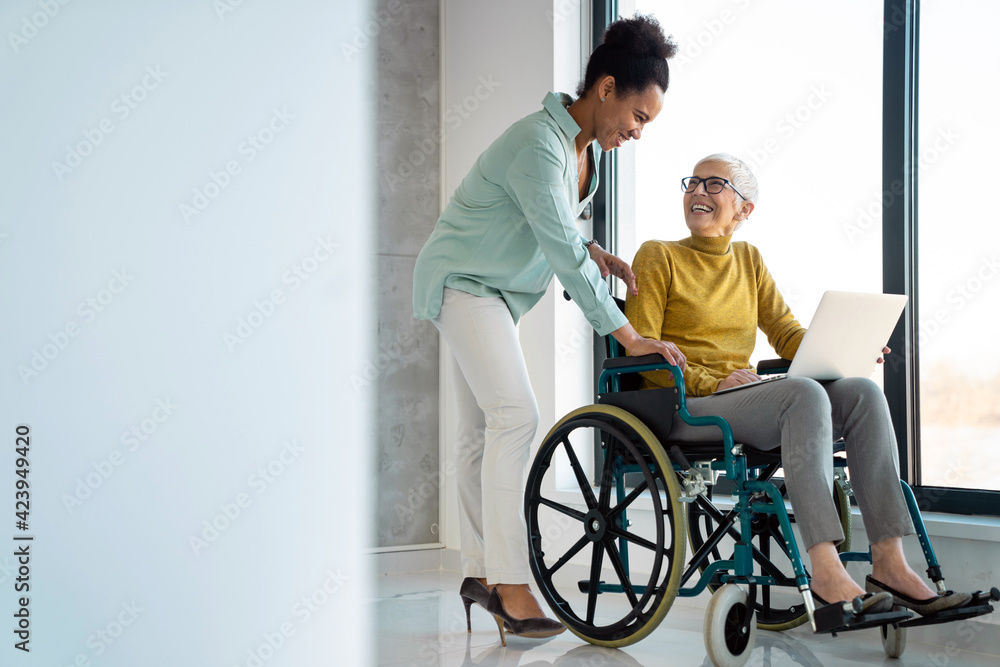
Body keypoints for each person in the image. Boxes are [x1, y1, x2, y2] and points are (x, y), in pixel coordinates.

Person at [412, 14, 684, 643]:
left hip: (492, 292)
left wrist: (595, 253)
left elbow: (558, 230)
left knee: (481, 433)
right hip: (463, 281)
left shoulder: (582, 152)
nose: (638, 133)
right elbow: (557, 242)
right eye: (639, 117)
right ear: (607, 88)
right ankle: (510, 583)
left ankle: (480, 573)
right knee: (516, 415)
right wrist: (627, 335)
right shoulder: (539, 142)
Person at [624, 152, 970, 616]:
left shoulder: (748, 259)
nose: (698, 192)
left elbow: (785, 332)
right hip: (689, 405)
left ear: (744, 209)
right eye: (693, 182)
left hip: (743, 399)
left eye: (714, 184)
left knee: (863, 393)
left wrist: (845, 347)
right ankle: (825, 568)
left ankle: (889, 562)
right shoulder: (657, 255)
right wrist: (715, 380)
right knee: (802, 393)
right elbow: (642, 352)